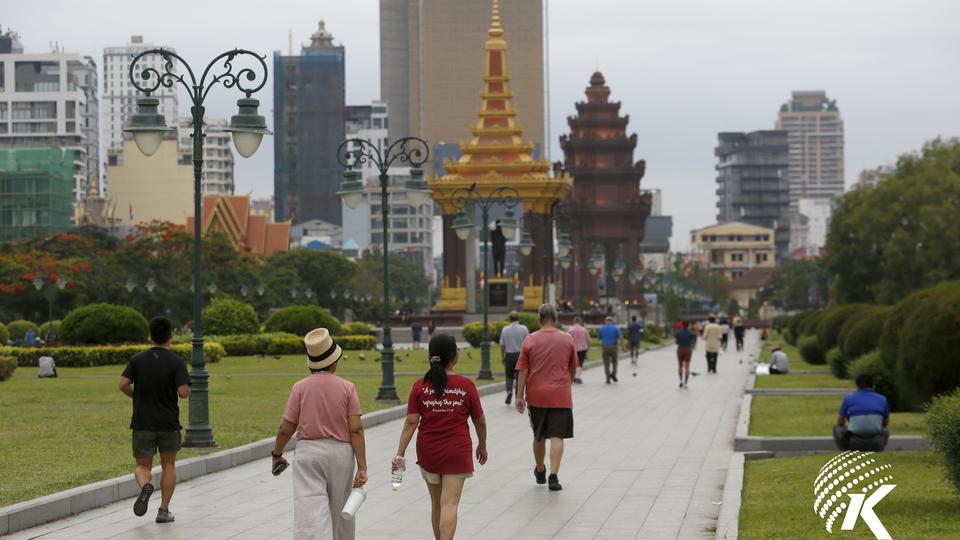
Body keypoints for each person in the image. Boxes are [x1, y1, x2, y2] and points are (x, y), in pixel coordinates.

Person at [271, 328, 368, 540]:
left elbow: (285, 428)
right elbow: (356, 429)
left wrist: (277, 454)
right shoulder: (347, 388)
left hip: (309, 454)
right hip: (341, 455)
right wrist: (362, 466)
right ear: (334, 362)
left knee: (310, 514)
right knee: (341, 512)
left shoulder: (300, 388)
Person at [394, 334, 487, 540]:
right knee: (450, 503)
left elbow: (411, 422)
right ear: (454, 356)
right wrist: (482, 445)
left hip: (429, 452)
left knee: (437, 504)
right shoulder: (466, 385)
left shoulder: (420, 386)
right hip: (457, 451)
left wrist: (399, 453)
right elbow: (479, 421)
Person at [118, 316, 190, 523]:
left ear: (150, 336)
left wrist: (135, 396)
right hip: (168, 423)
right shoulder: (176, 362)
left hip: (142, 422)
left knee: (142, 466)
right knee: (169, 465)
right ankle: (163, 510)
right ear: (171, 335)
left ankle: (145, 486)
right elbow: (184, 393)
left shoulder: (137, 360)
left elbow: (123, 384)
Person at [515, 304, 578, 491]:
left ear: (539, 318)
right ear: (556, 318)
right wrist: (568, 382)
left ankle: (540, 470)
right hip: (561, 394)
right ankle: (554, 476)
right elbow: (573, 366)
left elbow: (523, 370)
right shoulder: (567, 339)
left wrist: (520, 396)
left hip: (537, 395)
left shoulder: (530, 340)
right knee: (558, 435)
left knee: (539, 435)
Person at [833, 374, 890, 451]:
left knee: (837, 427)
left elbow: (840, 421)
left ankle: (845, 450)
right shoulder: (882, 399)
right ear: (873, 386)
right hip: (876, 442)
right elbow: (885, 422)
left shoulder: (849, 398)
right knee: (885, 430)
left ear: (857, 386)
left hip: (853, 441)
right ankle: (878, 449)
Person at [499, 311, 529, 405]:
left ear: (509, 319)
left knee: (509, 375)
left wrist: (503, 356)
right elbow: (528, 343)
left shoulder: (505, 329)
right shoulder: (524, 328)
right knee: (519, 376)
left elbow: (502, 345)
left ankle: (509, 391)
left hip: (509, 355)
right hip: (521, 355)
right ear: (518, 319)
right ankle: (518, 396)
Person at [597, 316, 623, 384]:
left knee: (606, 363)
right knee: (614, 362)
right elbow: (621, 337)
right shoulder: (616, 328)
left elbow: (599, 338)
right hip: (614, 346)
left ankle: (608, 378)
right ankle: (613, 374)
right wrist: (622, 346)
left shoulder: (602, 328)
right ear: (612, 321)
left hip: (605, 347)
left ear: (606, 321)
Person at [567, 316, 590, 384]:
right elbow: (588, 340)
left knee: (572, 363)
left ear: (574, 321)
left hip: (573, 348)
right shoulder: (584, 329)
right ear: (580, 322)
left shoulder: (570, 329)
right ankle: (577, 377)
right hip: (582, 348)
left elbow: (567, 339)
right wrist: (587, 347)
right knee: (580, 363)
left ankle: (572, 376)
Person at [674, 321, 697, 388]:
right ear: (688, 325)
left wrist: (680, 342)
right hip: (688, 350)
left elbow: (676, 342)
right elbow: (693, 342)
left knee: (680, 366)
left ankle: (680, 381)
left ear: (682, 325)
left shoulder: (678, 333)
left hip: (680, 349)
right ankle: (686, 383)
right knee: (687, 367)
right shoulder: (691, 333)